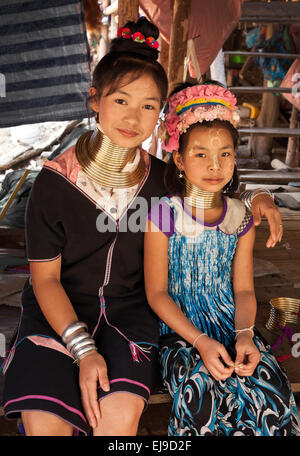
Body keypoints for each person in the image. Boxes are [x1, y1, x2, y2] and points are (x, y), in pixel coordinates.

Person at [1, 18, 282, 437]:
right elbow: (45, 281)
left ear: (160, 115)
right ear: (95, 100)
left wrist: (262, 197)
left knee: (117, 426)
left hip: (128, 319)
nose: (134, 117)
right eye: (121, 101)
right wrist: (83, 351)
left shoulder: (164, 181)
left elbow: (215, 180)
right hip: (56, 318)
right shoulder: (55, 183)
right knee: (46, 427)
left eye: (149, 105)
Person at [144, 82, 300, 436]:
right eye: (200, 154)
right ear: (180, 160)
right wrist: (199, 341)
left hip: (232, 324)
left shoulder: (240, 219)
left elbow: (244, 290)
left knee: (270, 396)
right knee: (204, 402)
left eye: (225, 154)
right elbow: (156, 294)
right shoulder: (163, 215)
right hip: (180, 332)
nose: (214, 165)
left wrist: (245, 335)